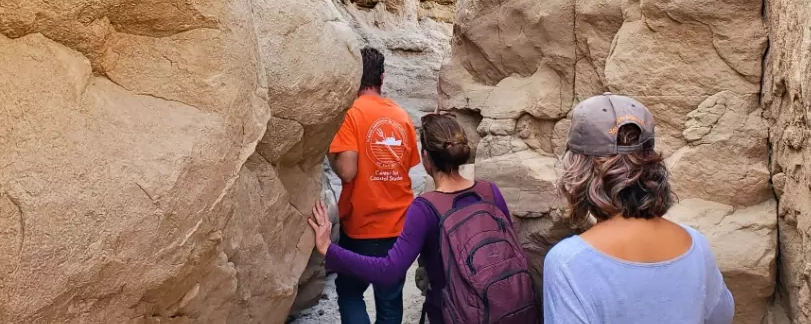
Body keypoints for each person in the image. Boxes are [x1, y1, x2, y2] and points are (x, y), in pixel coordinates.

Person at [312, 113, 538, 324]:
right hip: (505, 308)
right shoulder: (490, 191)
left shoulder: (426, 209)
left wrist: (328, 249)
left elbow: (389, 270)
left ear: (426, 158)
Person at [544, 92, 735, 323]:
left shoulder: (567, 262)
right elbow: (721, 316)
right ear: (652, 163)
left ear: (577, 169)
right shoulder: (696, 244)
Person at [326, 47, 421, 324]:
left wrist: (331, 155)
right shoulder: (401, 116)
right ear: (382, 77)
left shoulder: (351, 113)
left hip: (361, 226)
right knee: (390, 301)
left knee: (350, 291)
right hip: (400, 226)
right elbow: (403, 167)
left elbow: (347, 171)